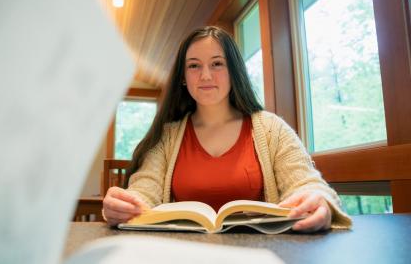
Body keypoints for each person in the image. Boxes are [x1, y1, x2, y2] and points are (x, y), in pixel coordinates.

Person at [102, 26, 352, 232]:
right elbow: (145, 191)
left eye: (217, 64)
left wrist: (318, 200)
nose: (206, 76)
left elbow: (306, 183)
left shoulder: (271, 128)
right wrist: (125, 205)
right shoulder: (167, 136)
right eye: (194, 66)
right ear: (183, 77)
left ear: (234, 72)